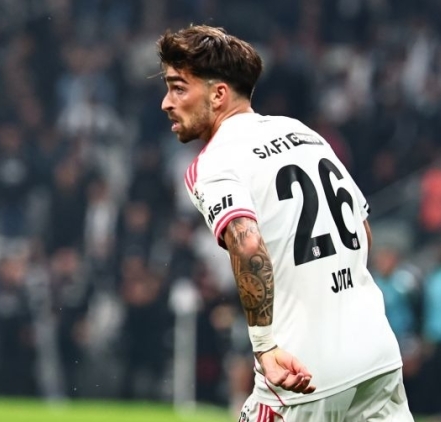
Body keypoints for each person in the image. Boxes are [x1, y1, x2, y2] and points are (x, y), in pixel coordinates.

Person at [156, 25, 414, 421]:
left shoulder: (213, 163)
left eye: (178, 88)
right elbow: (362, 232)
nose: (166, 103)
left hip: (302, 370)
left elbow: (247, 244)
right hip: (377, 355)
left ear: (218, 94)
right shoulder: (303, 133)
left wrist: (263, 345)